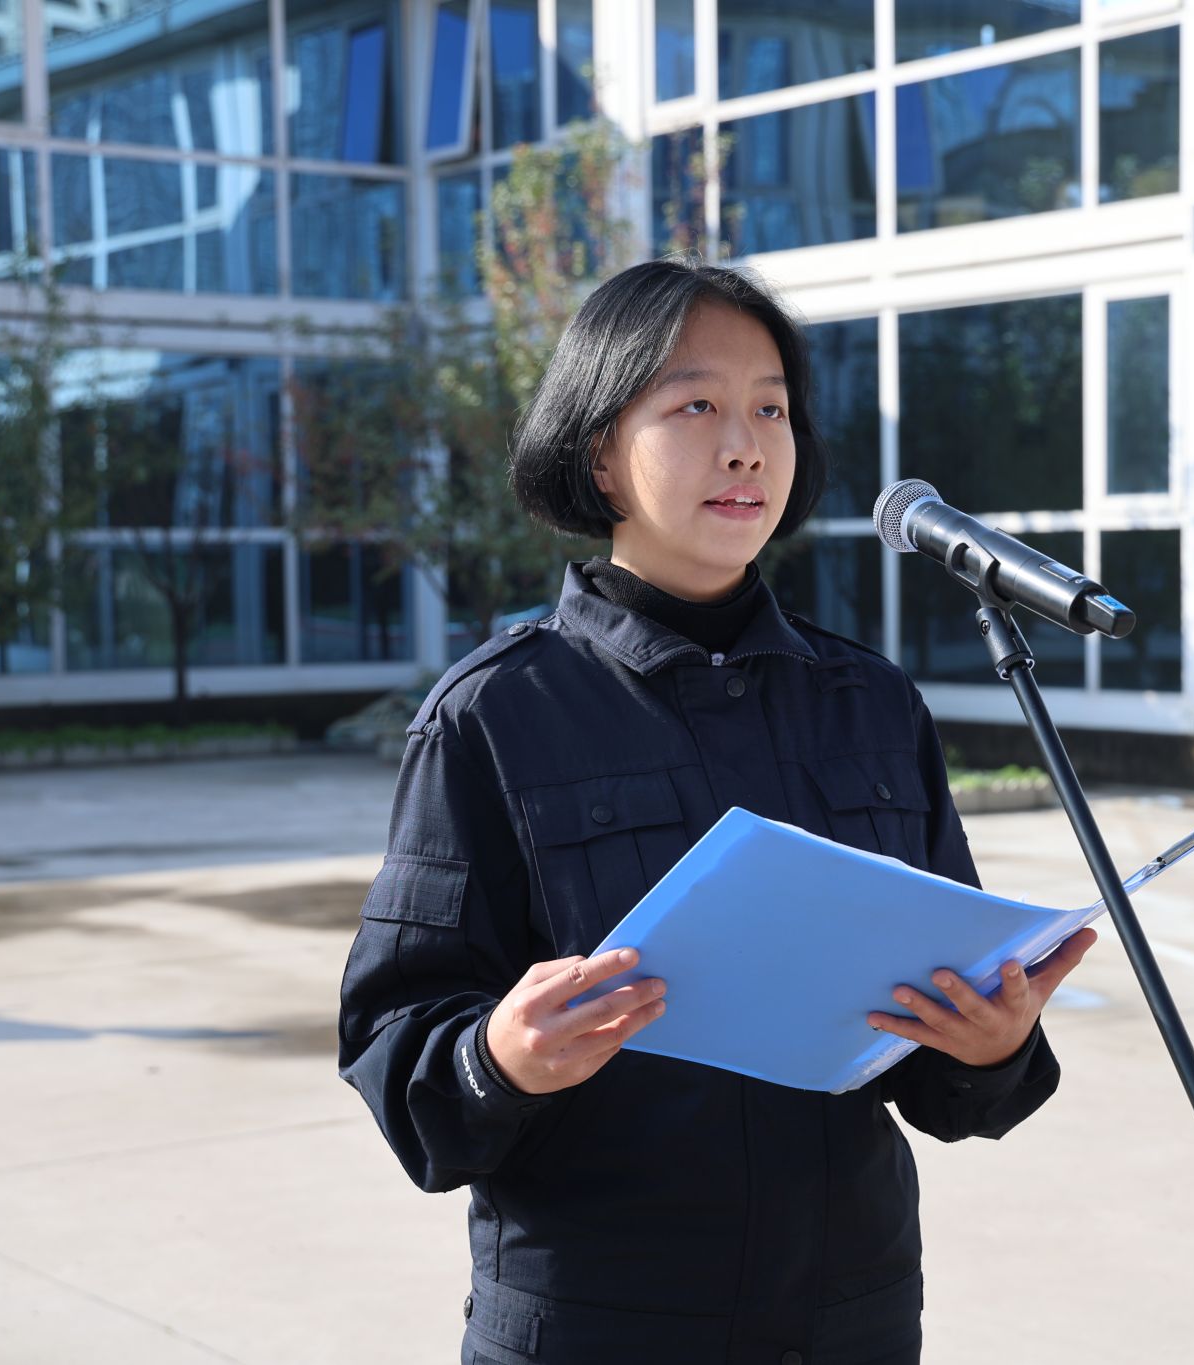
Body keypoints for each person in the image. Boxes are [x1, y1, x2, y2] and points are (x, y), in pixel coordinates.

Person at [337, 257, 1098, 1365]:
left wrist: (991, 1045)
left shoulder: (870, 703)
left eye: (770, 409)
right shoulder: (495, 716)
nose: (745, 446)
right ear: (599, 449)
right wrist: (498, 1056)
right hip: (603, 1322)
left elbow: (943, 1073)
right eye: (695, 405)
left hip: (850, 1317)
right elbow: (395, 1042)